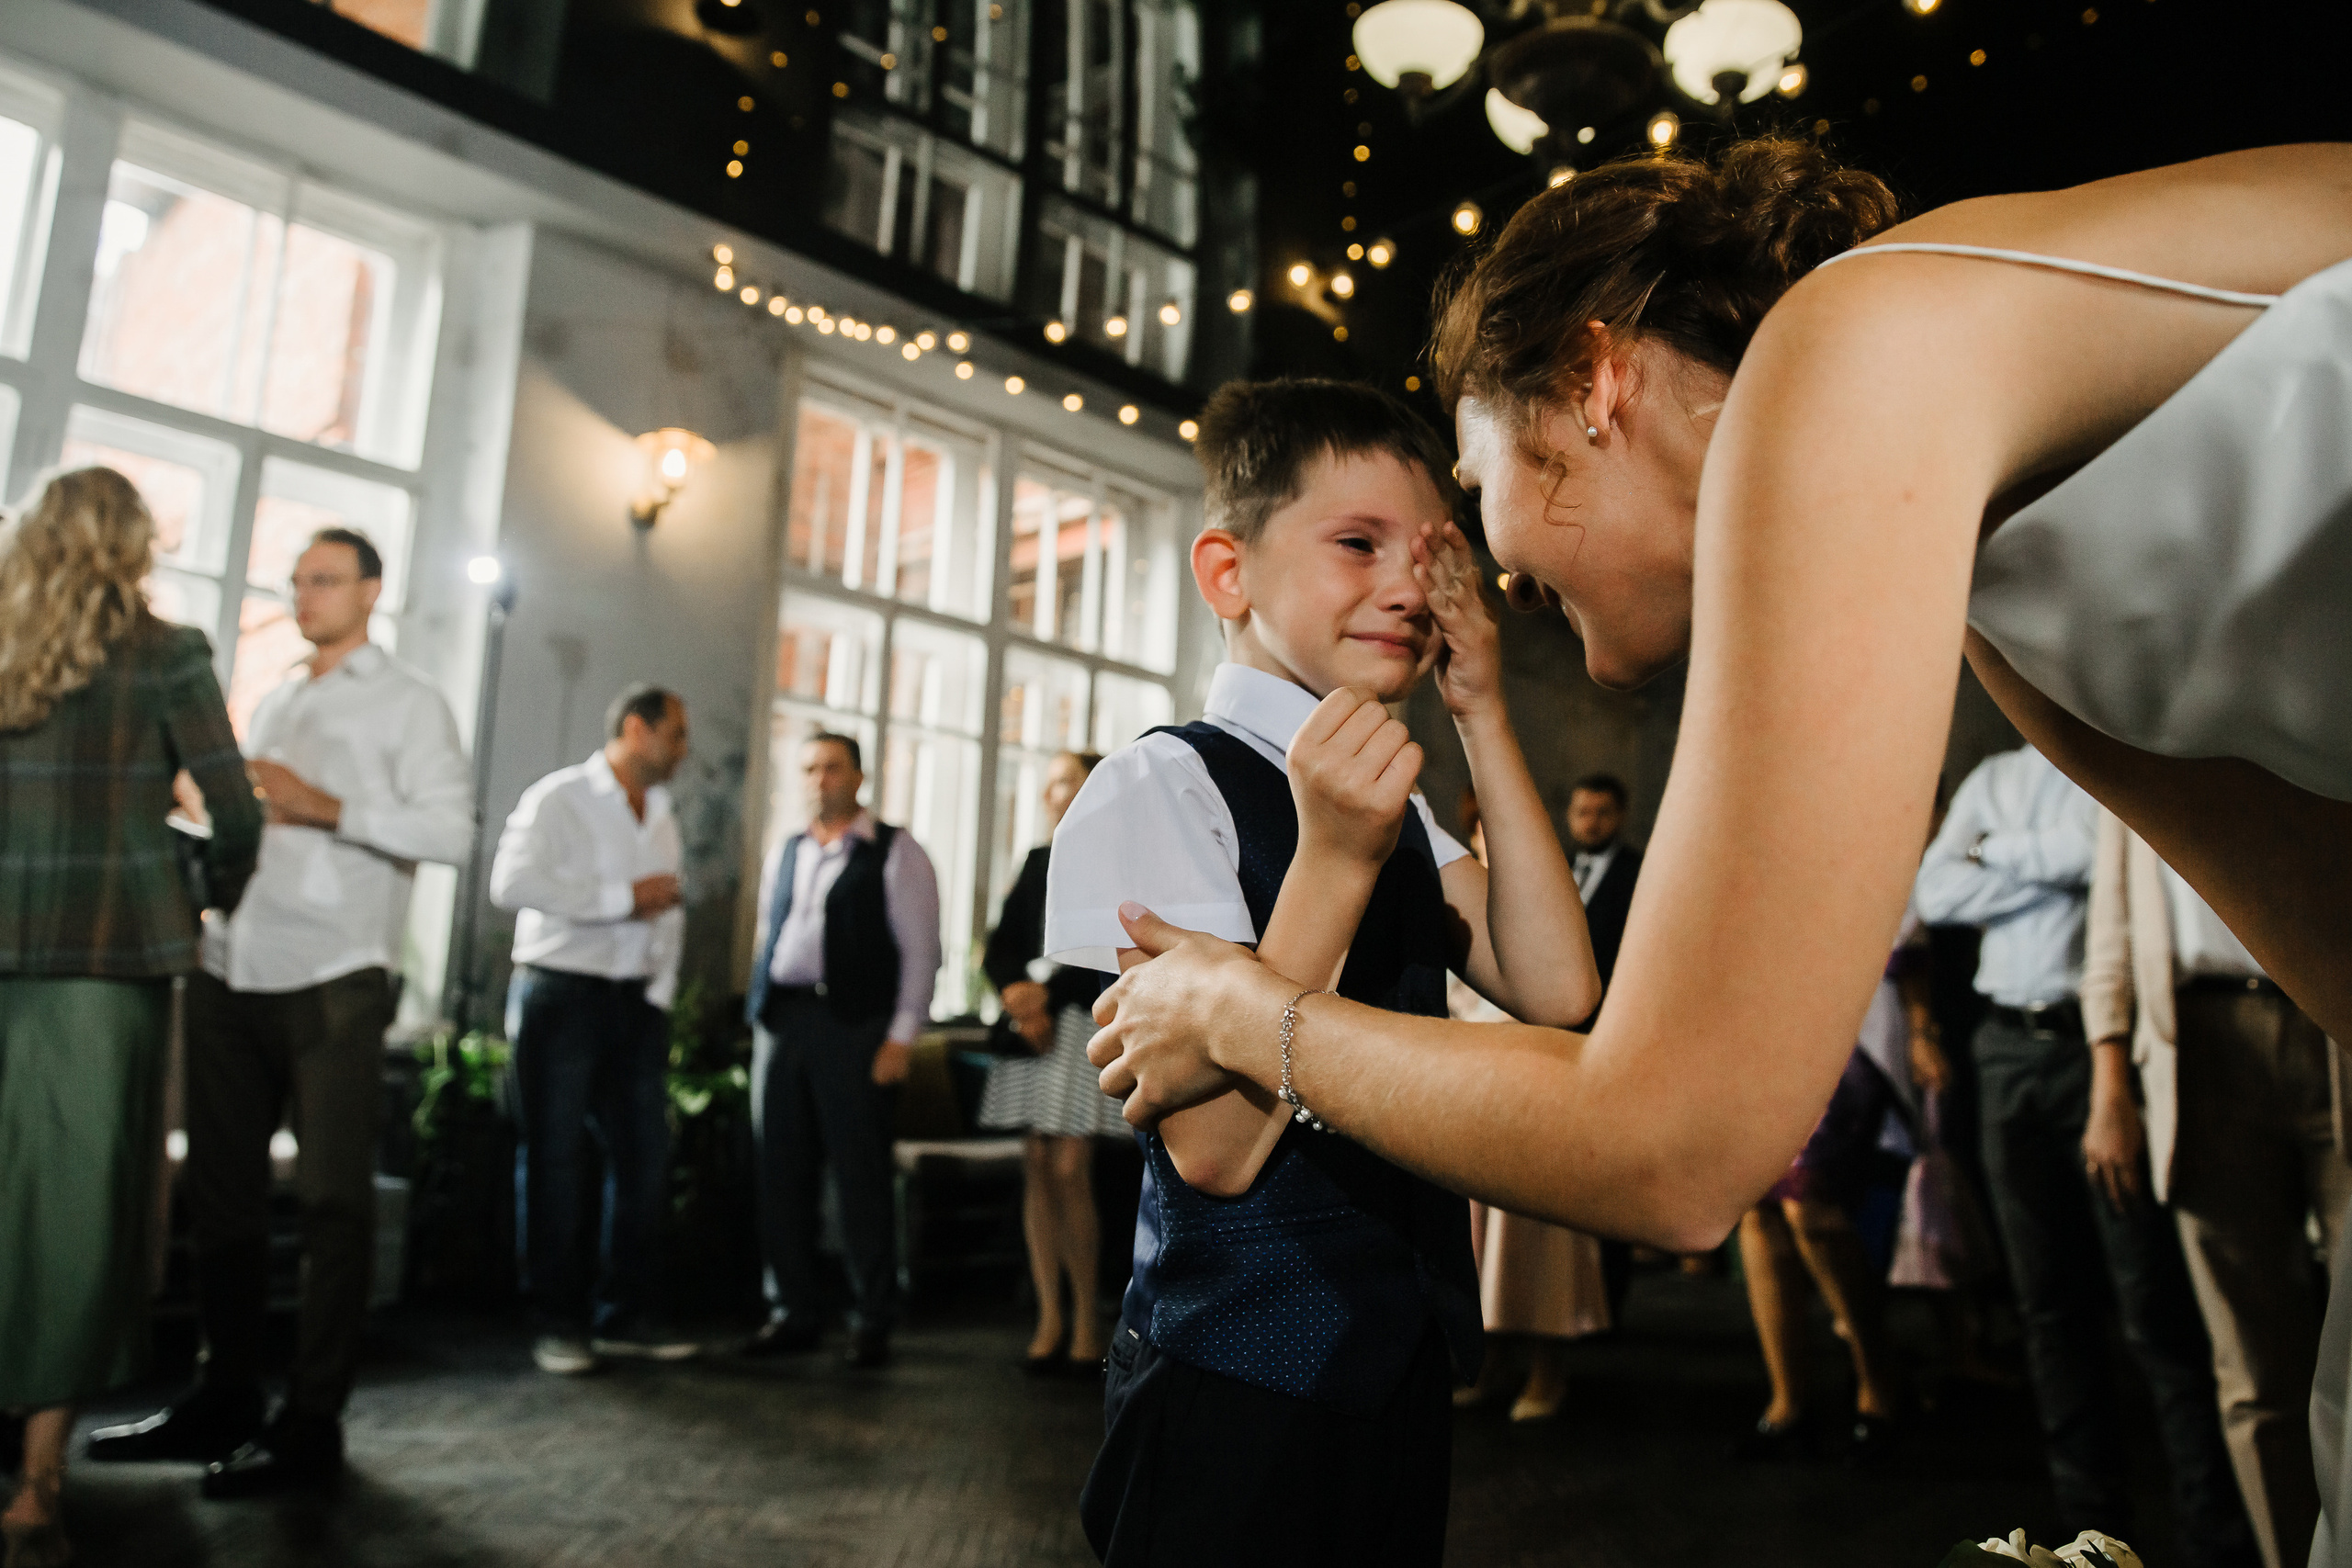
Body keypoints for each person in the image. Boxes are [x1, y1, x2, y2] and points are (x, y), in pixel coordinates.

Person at [1082, 138, 2350, 1395]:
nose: (1483, 564)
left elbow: (1672, 1149)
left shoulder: (1848, 353)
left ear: (1593, 379)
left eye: (1477, 481)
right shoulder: (1981, 578)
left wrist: (1245, 1012)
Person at [1047, 378, 1598, 1564]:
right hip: (1230, 1372)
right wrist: (1335, 857)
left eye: (1430, 555)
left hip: (1395, 1366)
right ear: (1228, 572)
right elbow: (1216, 1148)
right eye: (1357, 543)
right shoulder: (1160, 784)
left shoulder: (1393, 797)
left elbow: (1558, 990)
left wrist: (1486, 713)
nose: (1408, 585)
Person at [85, 527, 471, 1496]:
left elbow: (451, 832)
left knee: (336, 1203)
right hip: (231, 959)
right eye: (297, 582)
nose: (304, 596)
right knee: (222, 1204)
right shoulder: (279, 694)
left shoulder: (411, 703)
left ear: (372, 591)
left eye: (325, 580)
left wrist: (329, 805)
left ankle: (311, 1421)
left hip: (336, 971)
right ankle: (224, 1397)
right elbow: (247, 818)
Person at [0, 468, 261, 1568]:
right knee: (75, 1217)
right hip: (109, 964)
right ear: (137, 545)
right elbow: (235, 807)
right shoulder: (169, 654)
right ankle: (36, 1493)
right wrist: (200, 889)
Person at [1916, 746, 2253, 1562]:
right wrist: (2045, 862)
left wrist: (1993, 851)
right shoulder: (1993, 778)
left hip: (2102, 1054)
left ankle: (2217, 1535)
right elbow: (1933, 891)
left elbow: (2098, 861)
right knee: (2046, 1305)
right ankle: (2090, 1526)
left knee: (2152, 1307)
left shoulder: (2113, 762)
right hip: (2004, 1048)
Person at [2081, 806, 2352, 1568]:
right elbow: (2113, 922)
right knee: (2251, 1370)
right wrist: (2109, 1078)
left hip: (2333, 1025)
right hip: (2198, 1049)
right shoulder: (2133, 720)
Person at [491, 683, 697, 1376]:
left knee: (645, 1159)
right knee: (554, 1159)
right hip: (560, 996)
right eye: (675, 734)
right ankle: (557, 1321)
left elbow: (669, 904)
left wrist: (660, 993)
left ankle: (626, 1316)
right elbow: (510, 884)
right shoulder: (559, 798)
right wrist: (619, 900)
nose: (683, 749)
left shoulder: (663, 811)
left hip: (635, 1005)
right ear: (637, 730)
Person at [741, 731, 942, 1371]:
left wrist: (901, 1036)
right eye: (809, 768)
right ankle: (793, 1308)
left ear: (857, 776)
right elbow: (768, 936)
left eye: (831, 767)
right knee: (781, 1171)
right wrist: (760, 1013)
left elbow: (920, 951)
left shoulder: (895, 850)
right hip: (784, 1022)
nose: (819, 779)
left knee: (859, 1177)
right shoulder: (789, 850)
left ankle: (871, 1316)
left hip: (855, 1025)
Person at [1448, 789, 1610, 1426]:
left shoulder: (1551, 896)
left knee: (1538, 1242)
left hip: (1539, 1083)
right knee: (1480, 1245)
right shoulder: (1454, 896)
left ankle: (1549, 1368)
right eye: (1484, 829)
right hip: (1469, 1091)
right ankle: (1491, 1361)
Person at [976, 750, 1125, 1375]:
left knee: (1070, 1164)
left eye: (1066, 779)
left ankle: (1089, 1315)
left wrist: (1046, 995)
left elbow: (1108, 947)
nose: (1052, 791)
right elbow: (1003, 943)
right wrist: (1014, 992)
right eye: (1051, 781)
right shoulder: (1037, 859)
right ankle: (1049, 1315)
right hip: (1032, 1030)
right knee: (1037, 1160)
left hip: (1080, 1023)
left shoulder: (1119, 860)